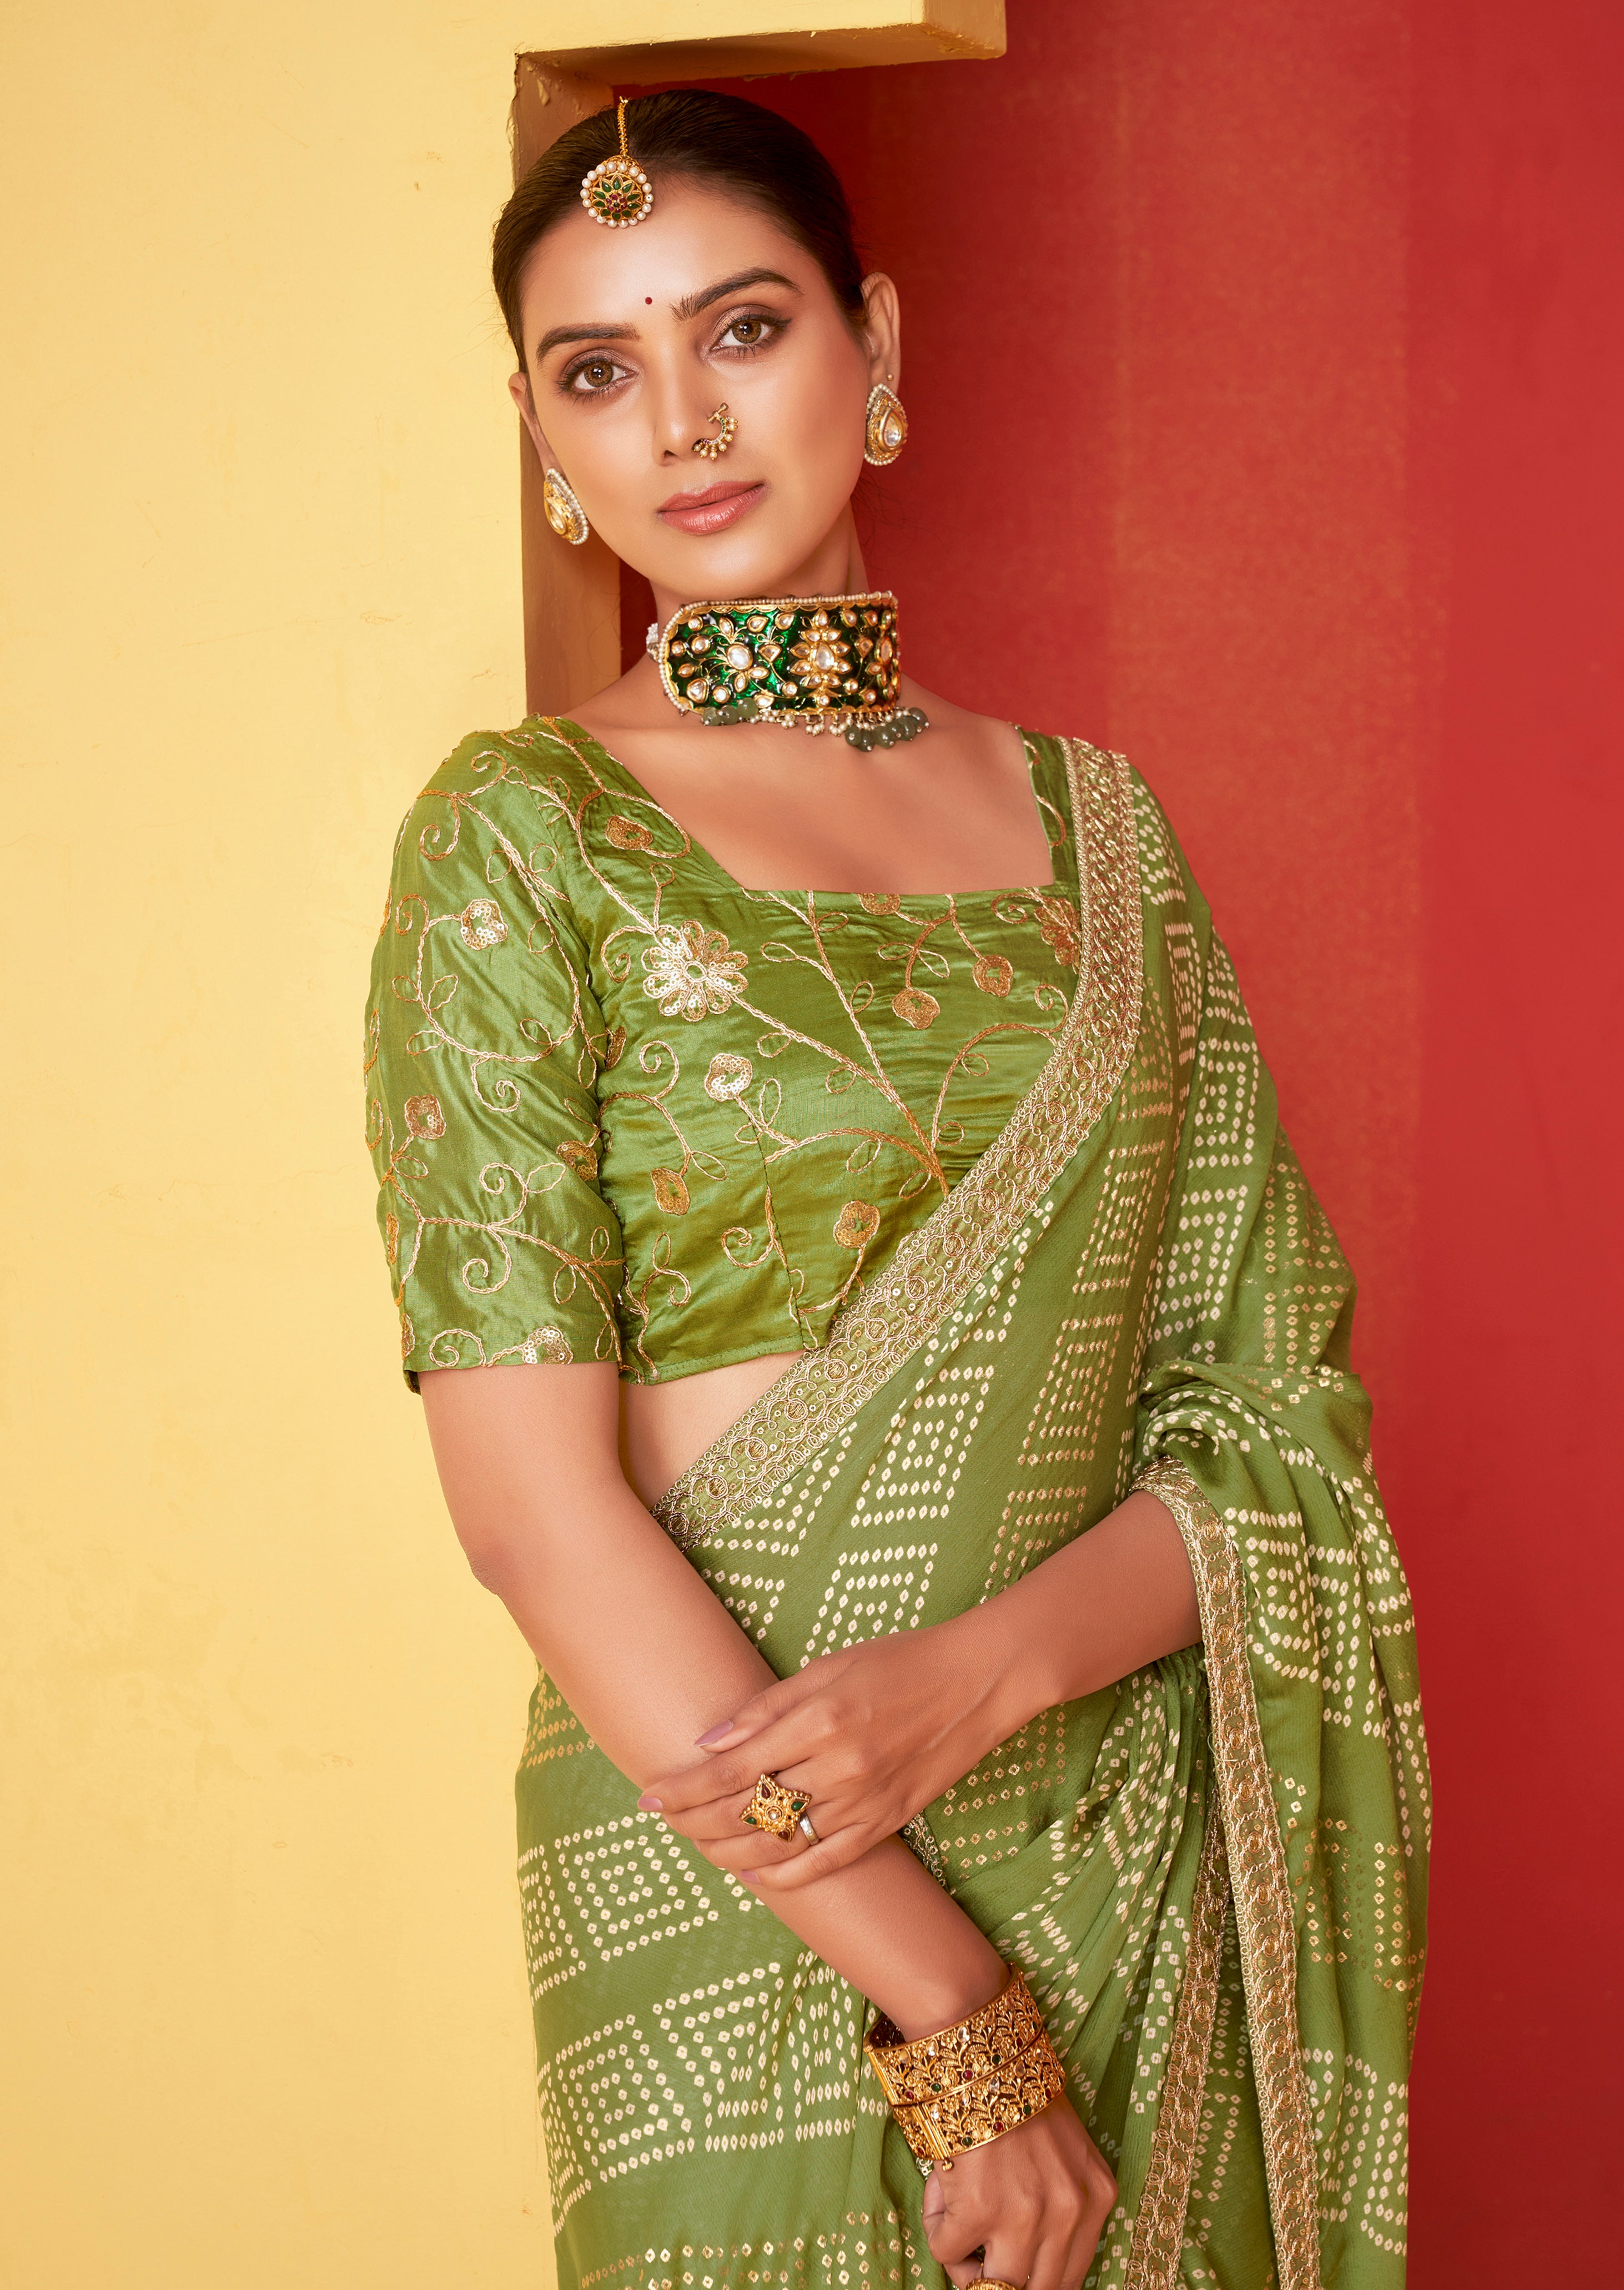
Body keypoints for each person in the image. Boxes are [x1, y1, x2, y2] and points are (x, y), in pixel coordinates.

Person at [363, 89, 1429, 2290]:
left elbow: (1271, 1420)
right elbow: (531, 1514)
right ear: (541, 438)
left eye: (743, 330)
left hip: (1108, 1809)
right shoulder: (520, 836)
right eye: (597, 370)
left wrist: (981, 1680)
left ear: (878, 341)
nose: (682, 420)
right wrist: (955, 2020)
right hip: (736, 1873)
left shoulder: (1105, 834)